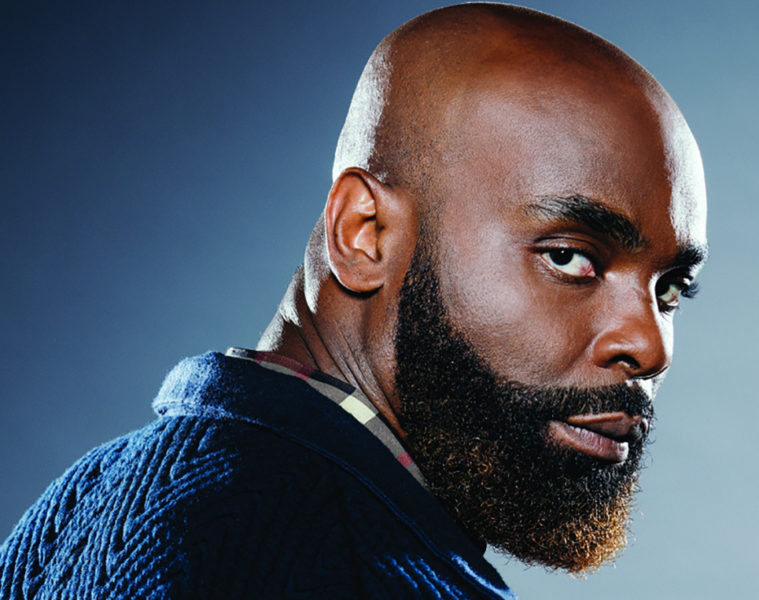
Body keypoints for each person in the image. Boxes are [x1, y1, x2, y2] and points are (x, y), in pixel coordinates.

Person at [0, 3, 707, 599]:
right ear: (364, 233)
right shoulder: (304, 560)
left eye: (669, 288)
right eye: (570, 257)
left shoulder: (78, 509)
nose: (648, 345)